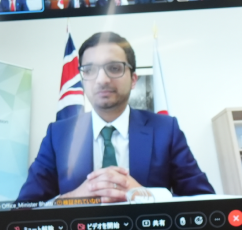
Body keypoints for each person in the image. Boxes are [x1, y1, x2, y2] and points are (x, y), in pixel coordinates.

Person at [16, 32, 214, 204]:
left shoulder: (165, 130)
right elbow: (24, 208)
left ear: (133, 79)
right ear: (82, 80)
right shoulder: (58, 135)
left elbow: (205, 200)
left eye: (114, 68)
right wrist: (71, 200)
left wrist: (147, 196)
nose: (102, 79)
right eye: (90, 70)